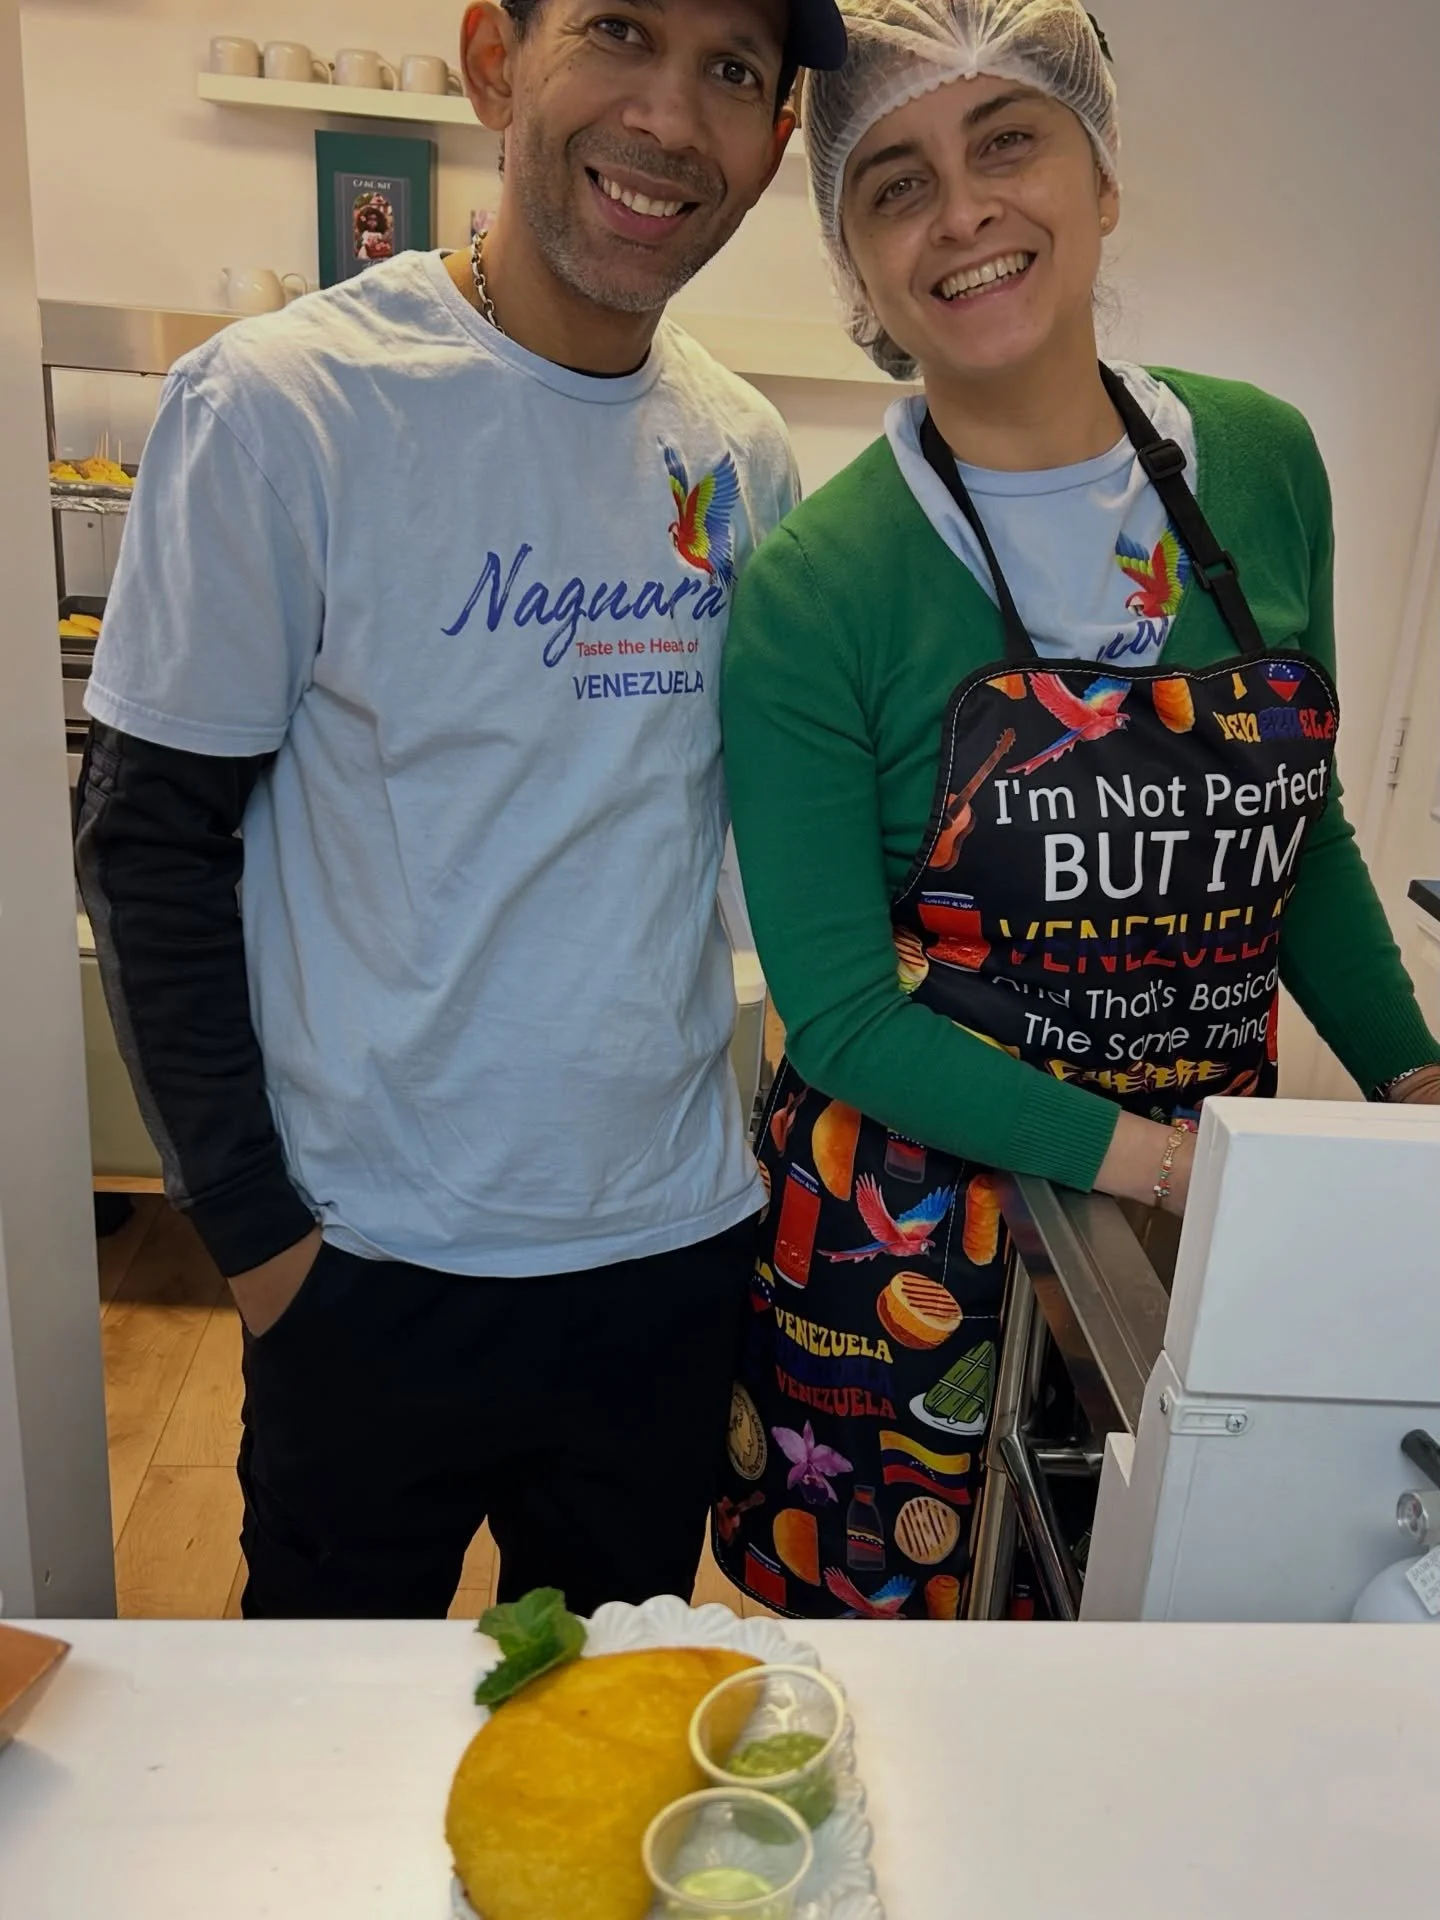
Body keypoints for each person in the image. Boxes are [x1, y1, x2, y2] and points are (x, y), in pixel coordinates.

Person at [74, 0, 848, 1621]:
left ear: (777, 141)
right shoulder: (282, 409)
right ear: (497, 60)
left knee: (589, 1757)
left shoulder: (743, 452)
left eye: (731, 72)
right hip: (368, 1266)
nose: (670, 115)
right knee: (320, 1780)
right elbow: (151, 844)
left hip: (666, 1254)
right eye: (622, 31)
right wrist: (259, 1240)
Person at [713, 0, 1440, 1621]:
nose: (963, 212)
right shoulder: (819, 590)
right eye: (895, 182)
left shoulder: (1261, 462)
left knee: (1169, 1652)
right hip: (910, 1256)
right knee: (907, 1718)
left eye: (1008, 140)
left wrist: (1412, 1075)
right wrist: (1174, 1168)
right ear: (856, 263)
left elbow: (1292, 827)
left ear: (1101, 177)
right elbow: (834, 1014)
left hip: (1186, 1230)